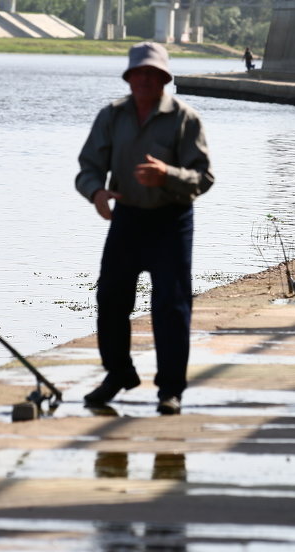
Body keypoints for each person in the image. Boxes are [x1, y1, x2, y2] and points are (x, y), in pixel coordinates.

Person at [75, 41, 214, 415]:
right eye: (139, 74)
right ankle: (119, 373)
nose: (145, 80)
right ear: (129, 77)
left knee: (171, 306)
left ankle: (170, 389)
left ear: (165, 79)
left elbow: (203, 177)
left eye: (153, 74)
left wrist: (165, 175)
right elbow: (88, 168)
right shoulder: (112, 116)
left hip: (172, 220)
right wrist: (97, 193)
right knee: (111, 298)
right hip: (128, 218)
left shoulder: (186, 118)